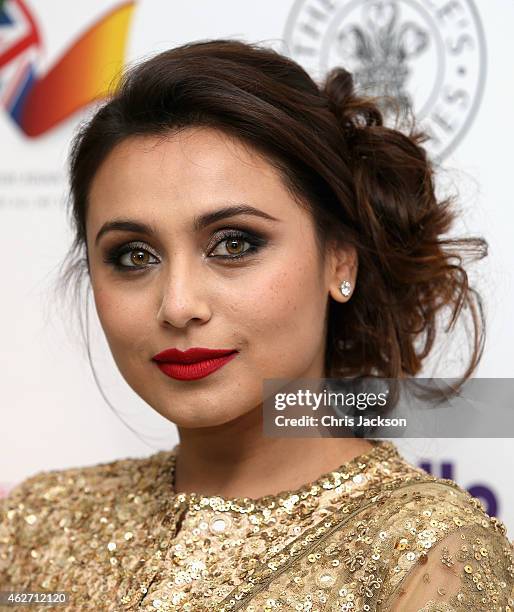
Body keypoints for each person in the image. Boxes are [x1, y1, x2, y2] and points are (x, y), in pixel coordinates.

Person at [1, 39, 512, 611]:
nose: (178, 304)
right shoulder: (37, 523)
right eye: (134, 255)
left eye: (234, 243)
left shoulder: (427, 554)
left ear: (339, 259)